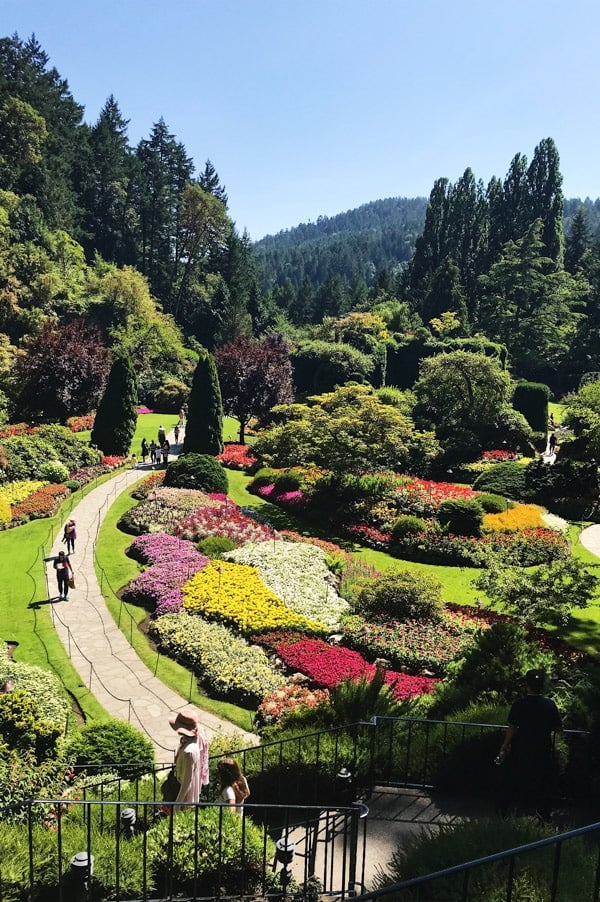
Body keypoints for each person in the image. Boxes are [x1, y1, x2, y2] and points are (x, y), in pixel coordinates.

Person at [496, 668, 562, 822]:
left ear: (527, 685)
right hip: (543, 748)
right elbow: (559, 728)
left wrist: (504, 746)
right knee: (544, 783)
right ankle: (544, 814)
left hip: (522, 748)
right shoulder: (549, 705)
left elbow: (511, 728)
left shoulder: (519, 704)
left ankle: (504, 812)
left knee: (513, 780)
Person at [168, 708, 209, 808]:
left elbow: (187, 781)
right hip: (182, 784)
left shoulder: (189, 752)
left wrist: (178, 803)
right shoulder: (193, 739)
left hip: (184, 793)